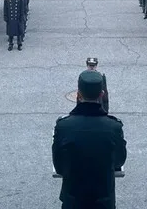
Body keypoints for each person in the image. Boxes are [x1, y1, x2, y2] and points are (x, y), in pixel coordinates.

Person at [52, 71, 127, 209]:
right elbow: (119, 161)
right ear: (101, 95)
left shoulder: (63, 126)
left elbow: (59, 166)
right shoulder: (113, 127)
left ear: (78, 94)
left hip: (73, 198)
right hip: (103, 199)